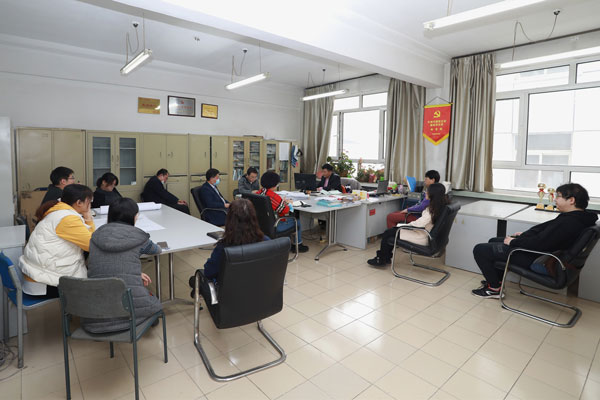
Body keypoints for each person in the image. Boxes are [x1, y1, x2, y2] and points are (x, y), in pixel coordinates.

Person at [471, 183, 598, 299]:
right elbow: (546, 234)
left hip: (541, 259)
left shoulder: (569, 222)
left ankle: (494, 289)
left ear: (571, 200)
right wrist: (524, 236)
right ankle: (497, 281)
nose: (555, 199)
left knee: (480, 249)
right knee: (494, 240)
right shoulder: (580, 218)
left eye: (558, 196)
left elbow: (540, 243)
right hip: (547, 254)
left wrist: (514, 242)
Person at [82, 198, 163, 333]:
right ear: (135, 217)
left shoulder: (95, 236)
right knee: (155, 307)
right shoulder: (139, 237)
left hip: (96, 311)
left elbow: (109, 263)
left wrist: (135, 273)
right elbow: (157, 250)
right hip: (129, 305)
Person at [20, 184, 95, 297]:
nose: (90, 205)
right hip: (45, 281)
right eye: (89, 202)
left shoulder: (58, 211)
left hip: (37, 273)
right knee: (96, 289)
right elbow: (92, 245)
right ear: (79, 203)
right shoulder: (68, 219)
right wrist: (88, 217)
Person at [187, 198, 269, 297]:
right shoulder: (266, 241)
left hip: (230, 296)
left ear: (230, 220)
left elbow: (209, 272)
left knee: (196, 279)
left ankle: (196, 285)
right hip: (259, 292)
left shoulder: (224, 247)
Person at [368, 183, 449, 267]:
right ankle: (385, 258)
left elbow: (419, 224)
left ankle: (381, 259)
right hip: (424, 234)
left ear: (432, 194)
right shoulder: (439, 206)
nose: (426, 193)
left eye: (427, 191)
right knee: (391, 232)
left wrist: (403, 226)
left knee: (387, 233)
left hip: (421, 236)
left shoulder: (431, 210)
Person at [259, 171, 309, 253]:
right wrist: (287, 203)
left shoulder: (259, 192)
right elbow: (286, 210)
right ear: (274, 184)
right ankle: (298, 245)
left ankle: (288, 242)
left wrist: (282, 202)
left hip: (262, 225)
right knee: (296, 221)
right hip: (274, 226)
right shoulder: (273, 196)